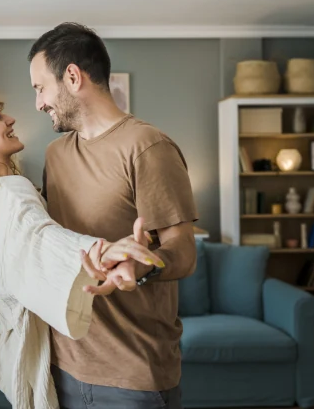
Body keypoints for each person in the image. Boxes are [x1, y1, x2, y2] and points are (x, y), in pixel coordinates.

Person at [0, 85, 163, 409]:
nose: (11, 119)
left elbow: (19, 241)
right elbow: (39, 236)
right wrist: (103, 250)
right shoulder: (11, 191)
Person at [29, 22, 199, 409]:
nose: (38, 103)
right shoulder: (56, 155)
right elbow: (45, 239)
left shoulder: (146, 146)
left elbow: (184, 250)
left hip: (133, 374)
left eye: (40, 87)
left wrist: (144, 266)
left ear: (72, 76)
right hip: (63, 362)